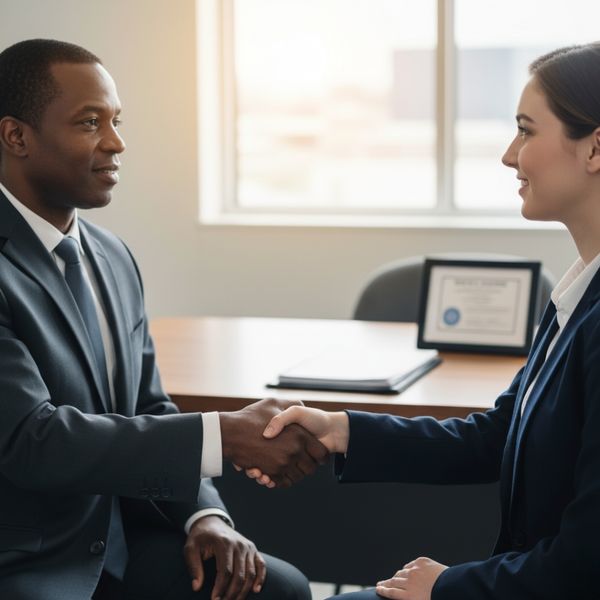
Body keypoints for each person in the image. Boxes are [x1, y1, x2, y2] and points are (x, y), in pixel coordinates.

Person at [247, 42, 600, 599]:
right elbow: (499, 433)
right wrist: (342, 429)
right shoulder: (578, 293)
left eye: (527, 131)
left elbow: (588, 563)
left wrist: (447, 588)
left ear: (595, 147)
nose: (510, 155)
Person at [0, 38, 327, 600]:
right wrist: (225, 436)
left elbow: (148, 408)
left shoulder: (112, 256)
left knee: (282, 590)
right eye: (89, 122)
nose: (116, 142)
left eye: (116, 120)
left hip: (122, 542)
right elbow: (34, 440)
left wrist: (205, 518)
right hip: (29, 561)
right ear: (17, 136)